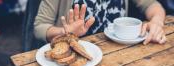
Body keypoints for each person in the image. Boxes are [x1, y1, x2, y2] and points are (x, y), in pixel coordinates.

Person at [34, 0, 166, 45]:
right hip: (74, 61)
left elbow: (152, 5)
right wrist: (64, 32)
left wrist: (157, 22)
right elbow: (39, 27)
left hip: (118, 57)